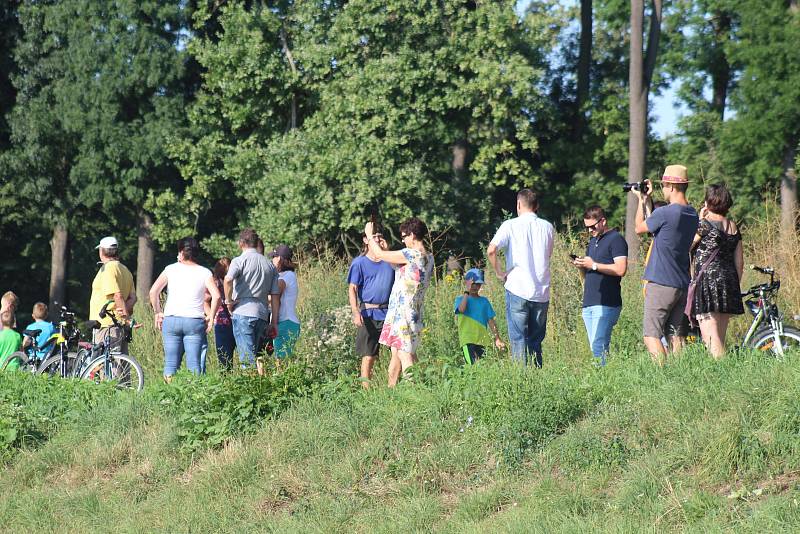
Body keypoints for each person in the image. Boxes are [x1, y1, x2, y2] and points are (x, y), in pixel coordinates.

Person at [634, 164, 699, 364]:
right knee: (675, 336)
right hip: (681, 283)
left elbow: (639, 228)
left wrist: (641, 201)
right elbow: (660, 233)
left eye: (664, 185)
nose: (663, 189)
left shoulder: (665, 213)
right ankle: (679, 379)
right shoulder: (692, 214)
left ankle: (662, 377)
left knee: (651, 335)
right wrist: (647, 201)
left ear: (670, 186)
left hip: (661, 282)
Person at [487, 189, 554, 367]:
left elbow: (491, 250)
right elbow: (548, 255)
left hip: (517, 288)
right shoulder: (548, 227)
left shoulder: (510, 225)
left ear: (518, 204)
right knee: (535, 341)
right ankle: (537, 377)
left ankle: (521, 381)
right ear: (537, 206)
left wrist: (499, 272)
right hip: (541, 291)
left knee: (518, 339)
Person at [364, 217, 434, 386]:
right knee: (397, 350)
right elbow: (402, 269)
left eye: (404, 237)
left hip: (403, 310)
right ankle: (391, 390)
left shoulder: (411, 253)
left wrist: (370, 235)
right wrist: (388, 250)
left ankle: (413, 389)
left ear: (412, 235)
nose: (403, 240)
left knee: (404, 353)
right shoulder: (428, 257)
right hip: (413, 310)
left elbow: (379, 255)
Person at [149, 237, 220, 379]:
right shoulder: (205, 272)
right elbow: (217, 296)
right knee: (194, 364)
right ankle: (193, 398)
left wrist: (158, 312)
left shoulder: (170, 269)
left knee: (170, 363)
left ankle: (170, 397)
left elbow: (153, 291)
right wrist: (211, 317)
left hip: (172, 319)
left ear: (181, 252)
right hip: (194, 321)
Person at [688, 184, 744, 358]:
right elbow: (739, 262)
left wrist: (699, 219)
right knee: (720, 335)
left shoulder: (704, 225)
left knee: (711, 339)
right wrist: (734, 284)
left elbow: (686, 247)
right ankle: (723, 372)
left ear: (707, 202)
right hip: (729, 283)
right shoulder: (734, 227)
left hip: (708, 283)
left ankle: (721, 376)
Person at [571, 206, 628, 366]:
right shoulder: (593, 242)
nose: (590, 230)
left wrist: (594, 265)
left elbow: (621, 269)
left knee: (598, 346)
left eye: (593, 226)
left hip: (607, 303)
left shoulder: (616, 239)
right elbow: (590, 270)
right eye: (587, 227)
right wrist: (582, 265)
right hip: (589, 302)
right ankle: (604, 377)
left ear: (603, 221)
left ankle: (601, 381)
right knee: (596, 347)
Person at [224, 229, 281, 368]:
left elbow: (227, 280)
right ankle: (258, 387)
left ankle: (248, 389)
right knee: (256, 356)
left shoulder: (239, 261)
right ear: (256, 243)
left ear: (241, 243)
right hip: (262, 315)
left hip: (243, 312)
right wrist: (273, 322)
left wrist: (229, 301)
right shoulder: (269, 265)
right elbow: (275, 296)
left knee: (247, 361)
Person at [347, 226, 396, 388]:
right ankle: (366, 391)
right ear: (365, 240)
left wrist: (387, 251)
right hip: (369, 313)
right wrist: (355, 312)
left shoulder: (390, 260)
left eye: (380, 236)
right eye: (373, 236)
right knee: (369, 356)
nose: (377, 239)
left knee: (397, 352)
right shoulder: (359, 263)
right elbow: (352, 288)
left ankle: (393, 388)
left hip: (389, 313)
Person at [89, 237, 136, 353]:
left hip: (107, 323)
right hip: (119, 324)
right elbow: (133, 298)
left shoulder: (108, 269)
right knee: (122, 365)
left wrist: (125, 316)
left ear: (101, 252)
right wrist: (124, 312)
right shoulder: (125, 270)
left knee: (109, 364)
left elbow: (117, 295)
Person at [454, 268, 505, 365]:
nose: (475, 287)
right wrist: (466, 292)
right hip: (467, 340)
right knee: (472, 367)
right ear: (466, 283)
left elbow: (491, 321)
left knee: (483, 367)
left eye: (478, 284)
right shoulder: (460, 299)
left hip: (482, 341)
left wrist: (497, 338)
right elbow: (461, 309)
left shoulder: (484, 301)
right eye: (472, 284)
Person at [269, 245, 301, 360]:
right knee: (283, 359)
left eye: (273, 257)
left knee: (281, 361)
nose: (271, 260)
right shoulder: (285, 275)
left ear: (279, 259)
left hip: (286, 322)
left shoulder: (287, 276)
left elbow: (274, 294)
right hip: (285, 322)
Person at [208, 258, 235, 370]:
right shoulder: (234, 281)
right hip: (235, 321)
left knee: (224, 360)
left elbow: (205, 299)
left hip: (221, 323)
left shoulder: (215, 282)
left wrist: (211, 315)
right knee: (246, 356)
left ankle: (226, 382)